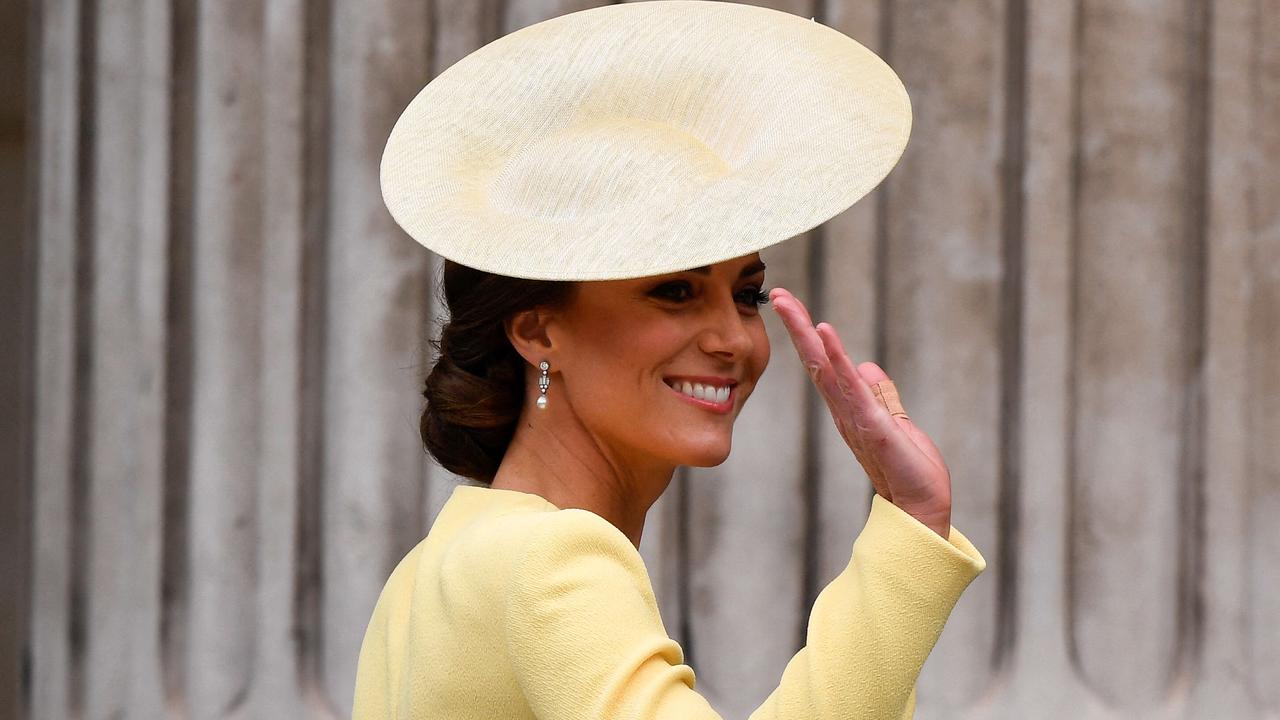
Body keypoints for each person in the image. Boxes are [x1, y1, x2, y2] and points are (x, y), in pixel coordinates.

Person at [353, 2, 986, 717]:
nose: (733, 339)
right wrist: (912, 529)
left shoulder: (428, 574)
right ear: (536, 332)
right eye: (675, 291)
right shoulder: (551, 563)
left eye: (747, 293)